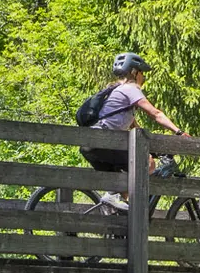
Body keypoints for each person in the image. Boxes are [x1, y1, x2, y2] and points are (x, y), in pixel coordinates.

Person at [79, 52, 187, 211]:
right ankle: (117, 199)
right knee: (147, 162)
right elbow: (156, 114)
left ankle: (119, 217)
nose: (144, 77)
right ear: (135, 72)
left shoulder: (118, 93)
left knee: (125, 194)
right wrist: (179, 132)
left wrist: (153, 147)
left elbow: (136, 129)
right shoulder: (130, 89)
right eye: (142, 73)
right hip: (102, 143)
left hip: (93, 146)